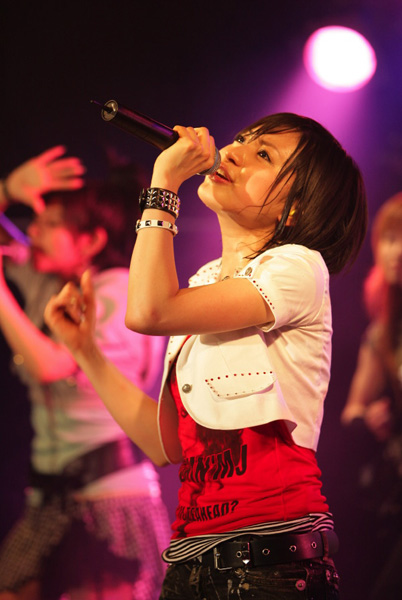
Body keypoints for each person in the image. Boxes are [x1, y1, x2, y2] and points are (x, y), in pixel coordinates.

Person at [45, 113, 367, 599]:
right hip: (191, 562)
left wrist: (163, 184)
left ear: (296, 208)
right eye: (241, 139)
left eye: (263, 154)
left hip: (271, 564)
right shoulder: (204, 281)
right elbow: (166, 446)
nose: (233, 151)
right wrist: (85, 351)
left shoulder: (298, 268)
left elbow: (150, 310)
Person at [0, 148, 170, 600]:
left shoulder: (117, 292)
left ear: (92, 240)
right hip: (49, 497)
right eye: (36, 222)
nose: (33, 231)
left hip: (109, 498)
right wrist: (7, 190)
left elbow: (51, 365)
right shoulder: (49, 280)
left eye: (51, 224)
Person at [341, 193, 402, 599]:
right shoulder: (383, 332)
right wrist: (370, 418)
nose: (396, 250)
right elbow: (352, 411)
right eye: (390, 238)